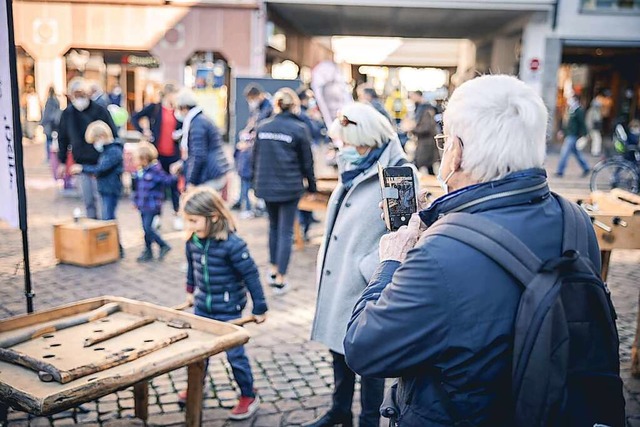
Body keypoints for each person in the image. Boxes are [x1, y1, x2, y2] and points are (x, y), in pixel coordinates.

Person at [343, 75, 607, 425]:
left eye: (444, 141)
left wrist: (392, 260)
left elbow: (364, 348)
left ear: (457, 151)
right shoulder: (575, 220)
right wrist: (443, 217)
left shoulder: (439, 255)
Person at [304, 102, 408, 427]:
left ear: (368, 140)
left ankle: (368, 419)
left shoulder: (398, 172)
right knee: (338, 349)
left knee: (368, 359)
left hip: (365, 284)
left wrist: (369, 268)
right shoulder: (355, 167)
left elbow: (403, 233)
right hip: (340, 277)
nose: (342, 150)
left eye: (348, 144)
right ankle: (339, 410)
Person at [179, 187, 268, 420]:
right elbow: (192, 267)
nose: (190, 225)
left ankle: (249, 394)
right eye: (188, 220)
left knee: (235, 356)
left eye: (194, 220)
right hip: (202, 306)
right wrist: (190, 291)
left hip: (229, 310)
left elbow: (251, 275)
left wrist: (260, 307)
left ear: (213, 216)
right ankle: (197, 386)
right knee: (199, 353)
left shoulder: (232, 244)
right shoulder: (193, 241)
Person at [253, 88, 316, 293]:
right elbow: (308, 162)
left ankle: (273, 268)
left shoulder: (263, 127)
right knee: (285, 231)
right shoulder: (298, 128)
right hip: (289, 186)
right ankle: (280, 277)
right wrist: (312, 186)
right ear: (294, 105)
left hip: (266, 185)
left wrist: (256, 182)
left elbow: (255, 159)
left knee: (273, 227)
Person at [57, 77, 118, 219]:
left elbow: (112, 134)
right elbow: (63, 138)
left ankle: (103, 231)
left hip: (100, 163)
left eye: (82, 95)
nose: (79, 99)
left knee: (103, 202)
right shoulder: (68, 114)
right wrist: (62, 161)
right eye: (76, 96)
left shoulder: (100, 111)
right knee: (88, 201)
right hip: (81, 163)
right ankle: (92, 230)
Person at [131, 83, 183, 229]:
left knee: (174, 186)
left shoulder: (178, 111)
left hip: (173, 154)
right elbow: (135, 117)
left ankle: (177, 214)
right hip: (157, 154)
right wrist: (144, 131)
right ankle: (157, 216)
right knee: (157, 187)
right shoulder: (155, 108)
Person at [174, 89, 231, 199]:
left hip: (209, 175)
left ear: (184, 107)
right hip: (214, 171)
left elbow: (198, 155)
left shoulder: (197, 123)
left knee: (201, 209)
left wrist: (191, 182)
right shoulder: (201, 119)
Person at [69, 121, 123, 222]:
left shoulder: (114, 151)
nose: (95, 144)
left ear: (102, 136)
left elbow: (101, 169)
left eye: (95, 141)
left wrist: (82, 168)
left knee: (108, 219)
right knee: (106, 217)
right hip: (105, 188)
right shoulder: (107, 151)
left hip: (110, 189)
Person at [132, 142, 175, 262]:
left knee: (148, 228)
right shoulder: (140, 172)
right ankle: (148, 250)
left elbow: (167, 181)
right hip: (143, 205)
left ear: (144, 159)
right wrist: (135, 201)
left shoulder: (155, 171)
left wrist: (175, 175)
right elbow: (138, 189)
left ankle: (163, 245)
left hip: (152, 205)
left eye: (137, 159)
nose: (135, 162)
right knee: (145, 229)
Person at [555, 94, 590, 177]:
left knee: (564, 153)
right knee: (577, 153)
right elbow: (567, 123)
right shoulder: (571, 110)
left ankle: (560, 171)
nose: (570, 101)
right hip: (569, 134)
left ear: (576, 100)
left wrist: (585, 134)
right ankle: (586, 167)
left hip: (573, 135)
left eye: (572, 99)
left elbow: (582, 123)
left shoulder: (578, 110)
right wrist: (563, 131)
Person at [409, 90, 439, 175]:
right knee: (428, 167)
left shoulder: (426, 109)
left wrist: (412, 129)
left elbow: (427, 127)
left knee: (419, 164)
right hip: (425, 142)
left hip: (427, 142)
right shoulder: (421, 108)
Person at [40, 86, 61, 163]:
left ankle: (49, 157)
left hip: (49, 124)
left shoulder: (49, 101)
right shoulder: (56, 100)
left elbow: (47, 113)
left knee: (48, 141)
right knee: (53, 140)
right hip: (55, 123)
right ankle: (52, 157)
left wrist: (42, 123)